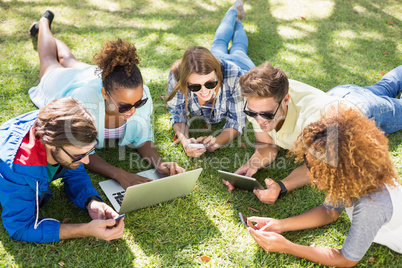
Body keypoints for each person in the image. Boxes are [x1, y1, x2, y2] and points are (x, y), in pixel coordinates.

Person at [28, 10, 184, 189]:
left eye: (138, 103)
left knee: (68, 58)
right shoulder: (82, 103)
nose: (133, 111)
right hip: (67, 84)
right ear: (104, 94)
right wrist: (119, 174)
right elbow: (80, 151)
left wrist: (158, 163)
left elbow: (143, 137)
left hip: (95, 77)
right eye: (124, 107)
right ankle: (44, 25)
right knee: (51, 62)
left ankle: (46, 31)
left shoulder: (135, 92)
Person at [224, 62, 402, 204]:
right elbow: (267, 146)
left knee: (388, 92)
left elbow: (320, 165)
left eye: (267, 115)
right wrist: (253, 164)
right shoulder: (258, 105)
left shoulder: (315, 121)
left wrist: (281, 186)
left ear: (285, 99)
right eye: (252, 113)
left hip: (361, 108)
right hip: (340, 94)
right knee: (386, 85)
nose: (259, 119)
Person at [247, 107, 402, 267]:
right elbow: (329, 212)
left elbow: (346, 259)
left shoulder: (371, 205)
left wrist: (287, 246)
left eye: (319, 172)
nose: (311, 177)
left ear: (344, 170)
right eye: (309, 166)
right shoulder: (351, 178)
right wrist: (280, 225)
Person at [0, 97, 124, 243]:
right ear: (52, 145)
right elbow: (21, 228)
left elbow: (73, 171)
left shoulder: (59, 127)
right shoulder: (19, 168)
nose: (87, 161)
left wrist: (92, 202)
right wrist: (86, 230)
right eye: (79, 155)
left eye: (90, 150)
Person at [166, 0, 254, 157]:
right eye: (195, 87)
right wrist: (185, 141)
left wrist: (216, 142)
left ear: (217, 74)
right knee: (219, 42)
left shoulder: (236, 75)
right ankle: (235, 13)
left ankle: (236, 17)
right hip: (213, 59)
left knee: (239, 48)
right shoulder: (177, 75)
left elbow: (237, 121)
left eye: (210, 83)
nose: (205, 91)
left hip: (241, 65)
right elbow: (177, 111)